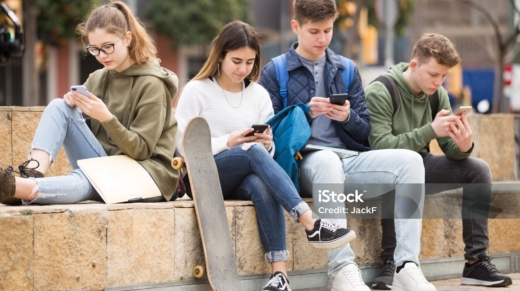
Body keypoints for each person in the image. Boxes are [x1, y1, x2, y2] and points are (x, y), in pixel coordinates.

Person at [259, 1, 436, 291]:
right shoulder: (275, 71)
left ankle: (406, 265)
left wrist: (348, 116)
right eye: (314, 31)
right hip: (305, 162)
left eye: (327, 30)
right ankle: (341, 268)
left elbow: (366, 132)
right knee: (327, 160)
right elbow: (269, 135)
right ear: (296, 27)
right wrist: (305, 112)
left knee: (411, 161)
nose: (322, 39)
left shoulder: (347, 68)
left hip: (348, 159)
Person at [174, 20, 355, 291]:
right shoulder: (196, 90)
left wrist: (268, 143)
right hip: (203, 177)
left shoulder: (258, 95)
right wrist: (229, 141)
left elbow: (265, 156)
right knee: (252, 150)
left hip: (243, 175)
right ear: (220, 55)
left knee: (261, 181)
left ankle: (279, 276)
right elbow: (182, 146)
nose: (243, 69)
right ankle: (310, 222)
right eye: (236, 61)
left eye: (249, 62)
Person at [365, 33, 513, 289]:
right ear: (413, 65)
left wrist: (464, 146)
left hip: (420, 165)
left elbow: (449, 149)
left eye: (444, 76)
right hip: (381, 171)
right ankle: (391, 262)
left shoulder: (437, 95)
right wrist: (430, 130)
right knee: (402, 169)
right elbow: (380, 148)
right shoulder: (381, 91)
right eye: (434, 74)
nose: (439, 82)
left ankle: (476, 262)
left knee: (478, 169)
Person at [0, 1, 179, 205]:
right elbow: (77, 127)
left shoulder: (153, 84)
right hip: (108, 165)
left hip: (147, 173)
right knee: (60, 106)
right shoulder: (98, 78)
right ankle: (31, 175)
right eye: (94, 49)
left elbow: (142, 150)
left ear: (127, 38)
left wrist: (106, 118)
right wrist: (74, 106)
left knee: (89, 181)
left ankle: (16, 188)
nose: (102, 56)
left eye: (108, 47)